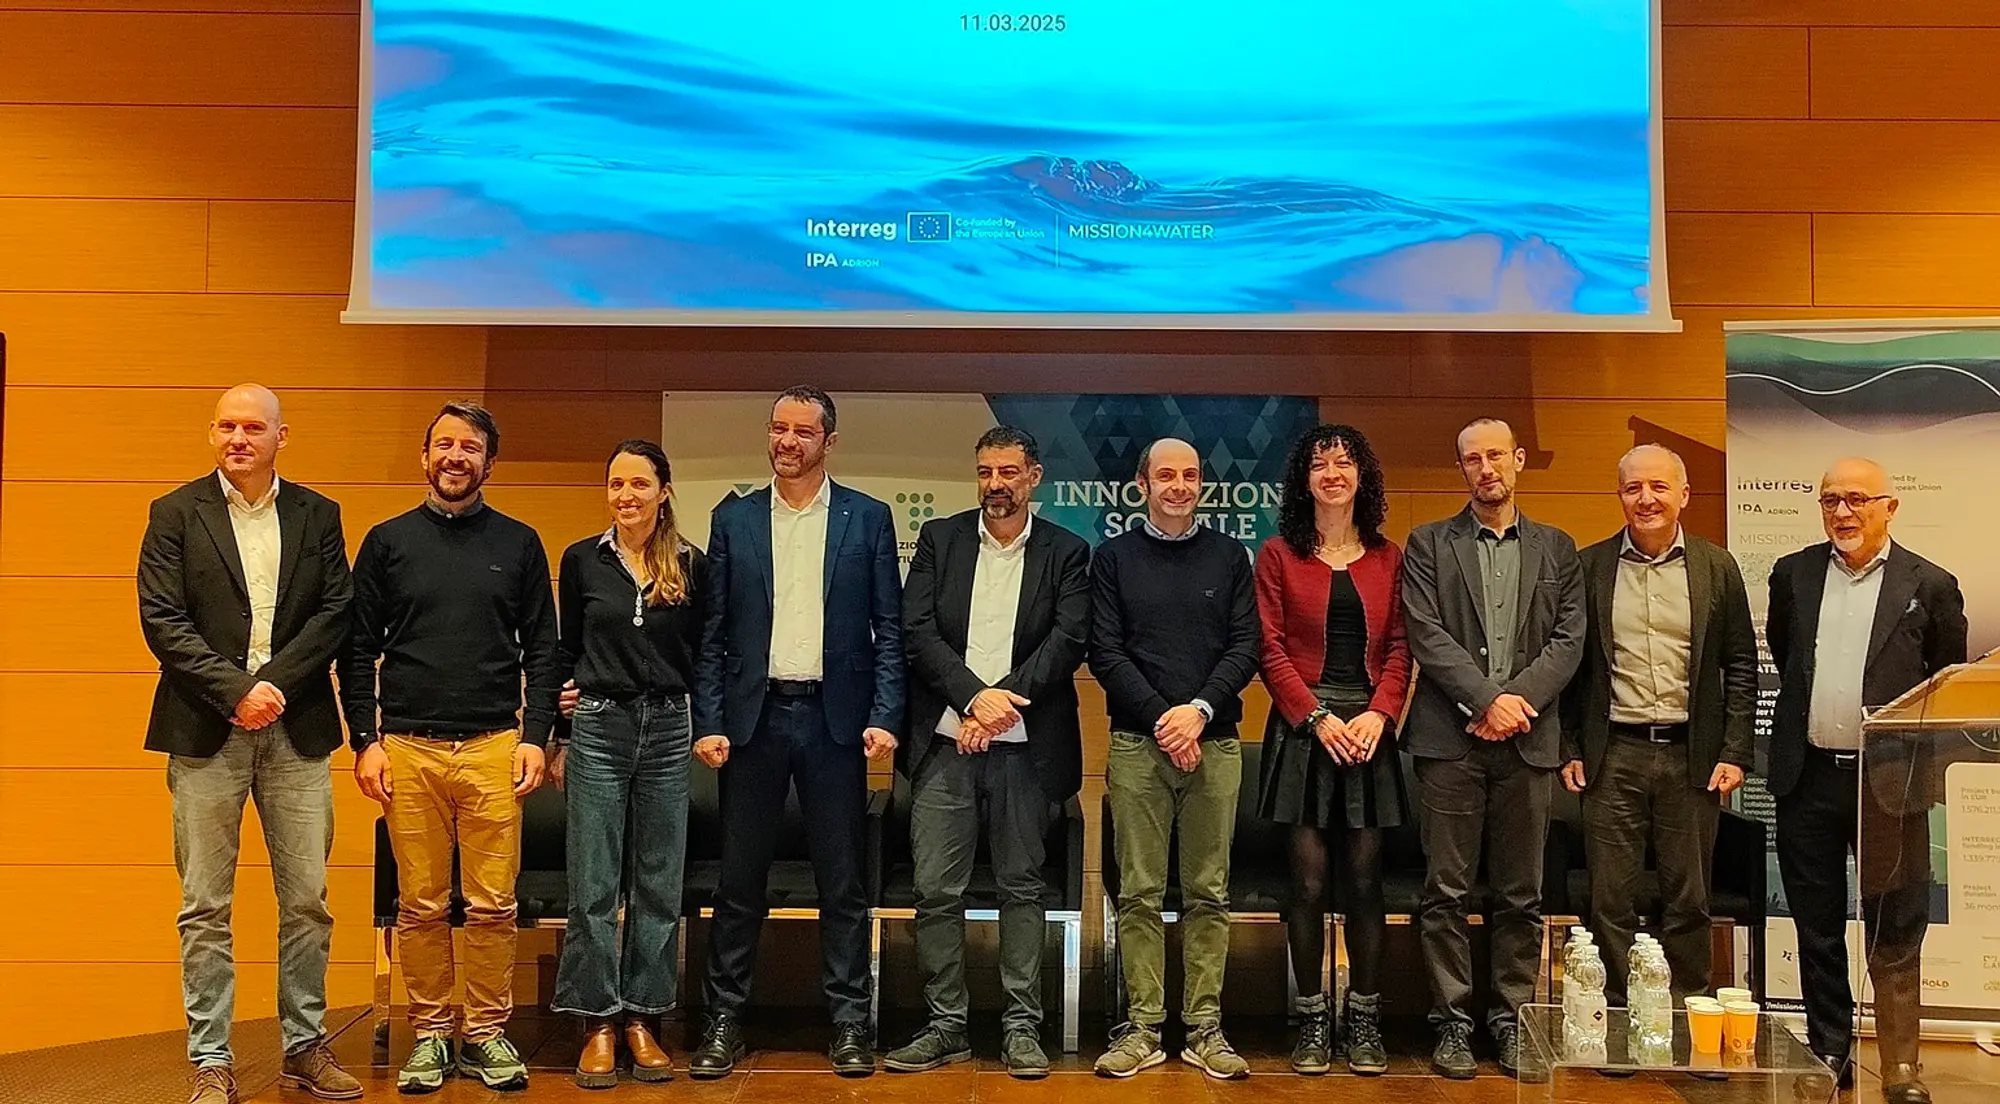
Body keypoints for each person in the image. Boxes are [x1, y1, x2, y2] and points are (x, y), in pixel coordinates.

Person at [137, 385, 361, 1104]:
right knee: (204, 905)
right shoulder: (175, 512)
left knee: (308, 901)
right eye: (227, 426)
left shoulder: (318, 514)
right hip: (205, 729)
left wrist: (272, 687)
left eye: (254, 427)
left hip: (296, 727)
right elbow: (162, 619)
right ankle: (212, 1059)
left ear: (280, 437)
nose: (239, 438)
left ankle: (304, 1046)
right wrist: (236, 690)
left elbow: (335, 613)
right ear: (212, 433)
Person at [342, 401, 559, 1094]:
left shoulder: (520, 543)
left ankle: (487, 1034)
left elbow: (545, 650)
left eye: (469, 446)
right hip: (407, 748)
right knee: (421, 906)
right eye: (443, 444)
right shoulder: (386, 542)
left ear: (490, 462)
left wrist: (535, 738)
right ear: (425, 456)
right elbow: (357, 650)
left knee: (494, 905)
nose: (455, 456)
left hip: (496, 746)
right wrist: (365, 742)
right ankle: (433, 1033)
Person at [688, 386, 904, 1079]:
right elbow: (713, 632)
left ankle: (849, 1021)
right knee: (740, 881)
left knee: (842, 882)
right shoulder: (735, 519)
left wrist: (885, 714)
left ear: (828, 442)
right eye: (778, 428)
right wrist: (710, 720)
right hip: (752, 723)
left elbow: (890, 630)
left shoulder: (868, 518)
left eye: (803, 431)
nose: (787, 441)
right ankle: (724, 1020)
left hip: (836, 722)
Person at [885, 426, 1091, 1079]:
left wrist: (1000, 706)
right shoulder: (940, 540)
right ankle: (946, 1025)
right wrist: (974, 699)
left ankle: (1022, 1027)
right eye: (985, 472)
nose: (995, 484)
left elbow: (1067, 641)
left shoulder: (1068, 551)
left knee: (1022, 887)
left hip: (1027, 750)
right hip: (947, 743)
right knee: (935, 890)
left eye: (1007, 472)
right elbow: (917, 632)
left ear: (1033, 477)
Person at [1766, 458, 1966, 1104]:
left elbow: (1944, 683)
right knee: (1816, 922)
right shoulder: (1792, 575)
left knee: (1896, 924)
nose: (1842, 512)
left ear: (1889, 507)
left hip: (1890, 783)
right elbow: (1787, 655)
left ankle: (1902, 1066)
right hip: (1809, 778)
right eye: (1830, 500)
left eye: (1856, 499)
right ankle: (1830, 1048)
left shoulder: (1931, 584)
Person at [1401, 417, 1585, 1079]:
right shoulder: (1428, 544)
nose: (1486, 468)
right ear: (1462, 469)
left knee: (1521, 895)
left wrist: (1512, 706)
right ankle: (1451, 1024)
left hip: (1528, 743)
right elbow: (1426, 633)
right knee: (1444, 892)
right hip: (1449, 744)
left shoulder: (1558, 548)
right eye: (1473, 459)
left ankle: (1511, 1021)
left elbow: (1569, 640)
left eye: (1496, 456)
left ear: (1519, 459)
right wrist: (1485, 700)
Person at [1560, 444, 1758, 1004]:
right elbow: (1573, 668)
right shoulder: (1590, 567)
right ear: (1620, 496)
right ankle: (1620, 1015)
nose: (1646, 499)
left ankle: (1686, 1013)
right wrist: (1570, 746)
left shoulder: (1717, 566)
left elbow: (1741, 662)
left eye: (1659, 487)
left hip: (1691, 755)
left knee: (1689, 899)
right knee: (1609, 900)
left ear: (1684, 495)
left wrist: (1735, 749)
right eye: (1633, 488)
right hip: (1612, 755)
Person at [1089, 438, 1261, 1081]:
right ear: (1142, 486)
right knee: (1137, 891)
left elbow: (1245, 647)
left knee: (1208, 893)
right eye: (1166, 475)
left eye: (1190, 475)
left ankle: (1204, 1028)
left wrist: (1199, 712)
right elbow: (1105, 652)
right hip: (1138, 747)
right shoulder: (1112, 559)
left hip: (1214, 745)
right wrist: (1167, 719)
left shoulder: (1230, 557)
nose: (1179, 486)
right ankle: (1142, 1026)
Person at [1252, 424, 1412, 1076]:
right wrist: (1316, 717)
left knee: (1367, 881)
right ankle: (1313, 1017)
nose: (1333, 473)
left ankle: (1365, 1016)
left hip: (1369, 729)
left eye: (1344, 462)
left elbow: (1401, 647)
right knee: (1309, 883)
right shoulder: (1277, 555)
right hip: (1303, 732)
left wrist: (1381, 713)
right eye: (1320, 464)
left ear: (1361, 476)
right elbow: (1268, 649)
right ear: (1305, 480)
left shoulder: (1389, 557)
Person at [549, 440, 706, 1087]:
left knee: (657, 883)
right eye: (616, 483)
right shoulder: (581, 560)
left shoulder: (691, 563)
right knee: (593, 882)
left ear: (663, 491)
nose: (626, 495)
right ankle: (597, 1021)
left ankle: (644, 1017)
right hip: (598, 726)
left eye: (639, 484)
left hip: (668, 728)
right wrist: (560, 732)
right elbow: (566, 650)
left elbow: (705, 653)